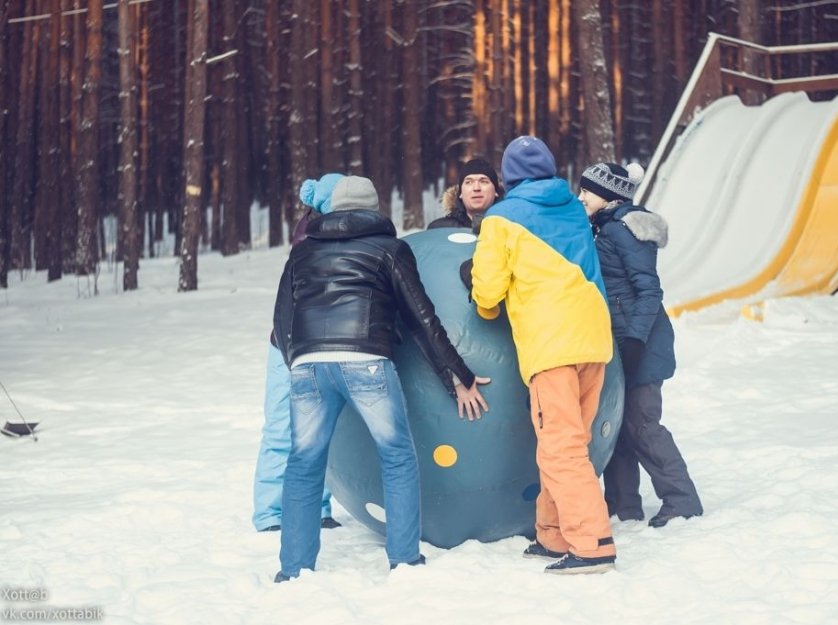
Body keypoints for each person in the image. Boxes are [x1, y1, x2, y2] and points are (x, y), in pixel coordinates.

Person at [272, 175, 490, 582]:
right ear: (374, 209)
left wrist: (298, 362)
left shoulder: (301, 254)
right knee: (397, 456)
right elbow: (422, 318)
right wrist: (456, 375)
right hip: (365, 362)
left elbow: (282, 318)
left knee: (303, 463)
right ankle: (404, 558)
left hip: (308, 366)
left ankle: (293, 569)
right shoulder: (390, 249)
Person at [467, 136, 616, 575]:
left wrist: (486, 304)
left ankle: (593, 544)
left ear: (508, 177)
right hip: (594, 338)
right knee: (570, 443)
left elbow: (488, 289)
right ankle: (553, 534)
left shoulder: (501, 219)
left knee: (560, 448)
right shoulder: (572, 206)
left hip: (553, 345)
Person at [578, 161, 703, 528]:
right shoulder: (603, 228)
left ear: (609, 195)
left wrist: (634, 340)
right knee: (616, 422)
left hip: (641, 341)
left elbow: (649, 290)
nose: (581, 195)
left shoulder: (623, 231)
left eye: (587, 189)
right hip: (619, 340)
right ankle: (623, 504)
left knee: (642, 423)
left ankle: (682, 500)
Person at [253, 175, 344, 533]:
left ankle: (318, 506)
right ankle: (271, 512)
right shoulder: (309, 236)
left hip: (324, 344)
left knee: (318, 429)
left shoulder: (341, 233)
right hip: (288, 346)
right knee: (281, 428)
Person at [427, 158, 501, 231]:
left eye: (483, 181)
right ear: (460, 193)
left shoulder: (510, 226)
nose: (476, 188)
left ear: (496, 192)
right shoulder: (440, 229)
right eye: (468, 182)